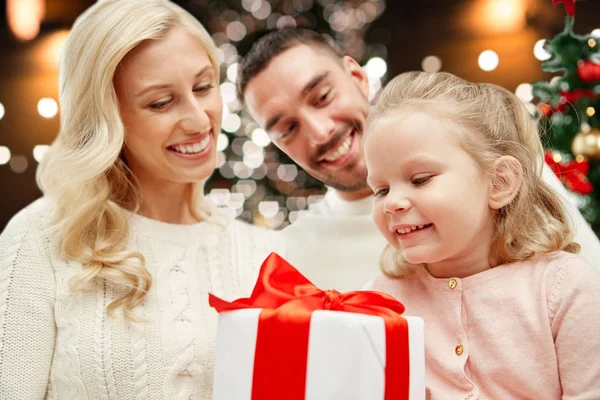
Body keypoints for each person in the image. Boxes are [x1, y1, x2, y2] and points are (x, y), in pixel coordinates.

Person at [0, 1, 283, 399]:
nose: (200, 120)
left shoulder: (263, 256)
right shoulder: (42, 239)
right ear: (106, 118)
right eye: (161, 103)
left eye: (203, 87)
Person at [237, 28, 600, 291]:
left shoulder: (491, 162)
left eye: (322, 97)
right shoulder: (292, 259)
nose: (319, 132)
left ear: (357, 76)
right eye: (287, 128)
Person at [364, 71, 600, 398]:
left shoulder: (565, 289)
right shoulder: (379, 302)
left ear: (499, 183)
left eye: (420, 179)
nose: (391, 203)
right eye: (380, 189)